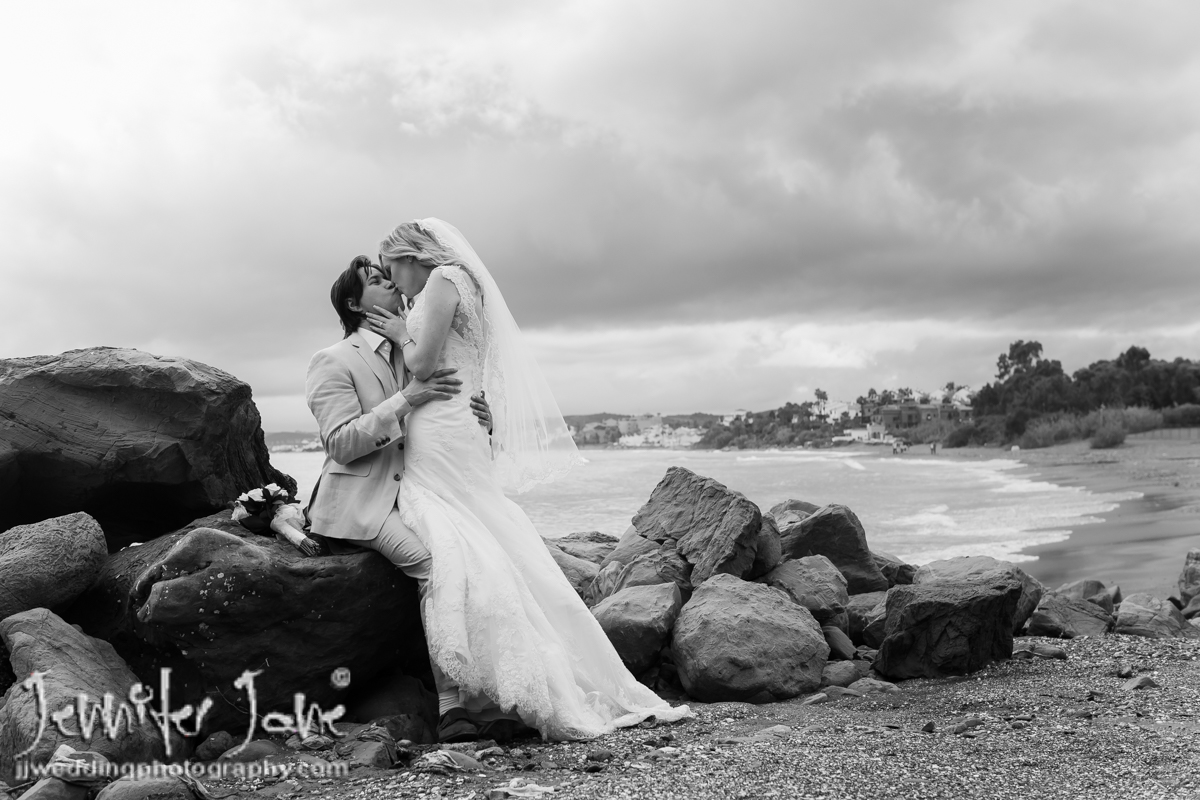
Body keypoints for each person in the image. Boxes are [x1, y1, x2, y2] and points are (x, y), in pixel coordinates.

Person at [365, 218, 689, 741]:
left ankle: (471, 689)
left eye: (392, 269)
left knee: (455, 536)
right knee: (485, 532)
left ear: (411, 255)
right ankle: (494, 680)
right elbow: (471, 364)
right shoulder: (463, 283)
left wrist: (403, 334)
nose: (394, 282)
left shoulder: (443, 279)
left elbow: (422, 364)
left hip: (443, 430)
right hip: (460, 425)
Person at [304, 256, 495, 743]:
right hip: (364, 502)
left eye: (388, 276)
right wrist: (408, 398)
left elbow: (443, 416)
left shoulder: (416, 347)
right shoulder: (333, 359)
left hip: (423, 489)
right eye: (375, 280)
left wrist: (479, 416)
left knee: (478, 555)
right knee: (437, 563)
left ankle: (490, 691)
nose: (390, 283)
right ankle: (453, 706)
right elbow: (340, 443)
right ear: (355, 304)